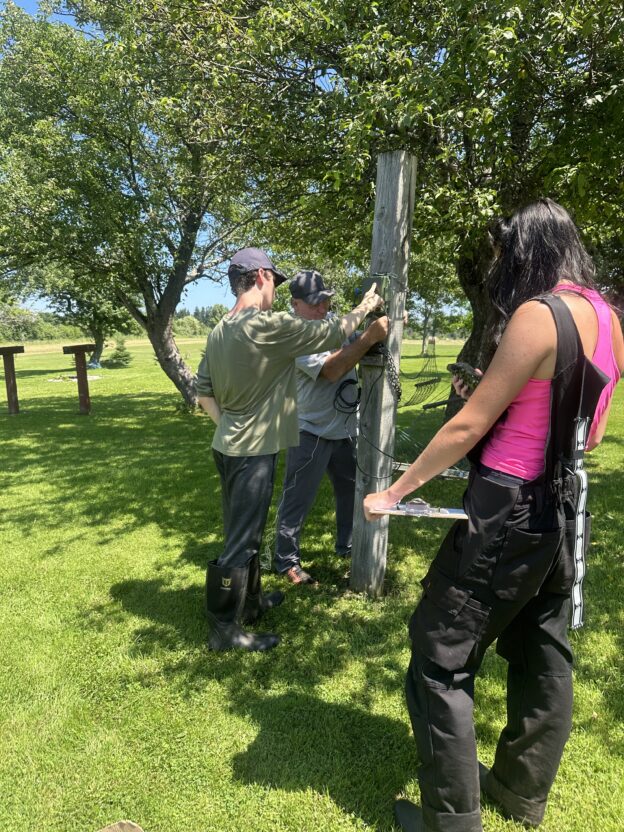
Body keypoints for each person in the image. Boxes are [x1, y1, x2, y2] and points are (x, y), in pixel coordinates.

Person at [363, 199, 624, 832]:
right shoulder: (608, 317)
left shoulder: (537, 314)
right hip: (561, 507)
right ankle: (518, 792)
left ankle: (450, 822)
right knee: (544, 651)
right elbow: (588, 433)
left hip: (504, 510)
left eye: (507, 253)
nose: (503, 266)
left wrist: (394, 493)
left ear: (527, 251)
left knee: (438, 653)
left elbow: (471, 425)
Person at [196, 247, 383, 652]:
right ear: (261, 276)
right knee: (239, 542)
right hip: (251, 450)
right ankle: (224, 630)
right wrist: (368, 305)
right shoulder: (265, 325)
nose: (276, 291)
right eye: (275, 282)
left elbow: (203, 392)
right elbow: (333, 334)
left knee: (244, 532)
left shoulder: (219, 329)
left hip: (229, 445)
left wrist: (229, 425)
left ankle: (251, 603)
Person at [274, 270, 389, 585]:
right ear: (295, 304)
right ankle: (286, 562)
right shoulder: (293, 332)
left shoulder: (333, 322)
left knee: (351, 492)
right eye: (315, 303)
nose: (323, 308)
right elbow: (331, 370)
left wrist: (381, 320)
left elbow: (354, 337)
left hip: (345, 430)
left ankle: (348, 546)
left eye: (326, 301)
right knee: (297, 498)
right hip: (309, 430)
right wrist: (368, 338)